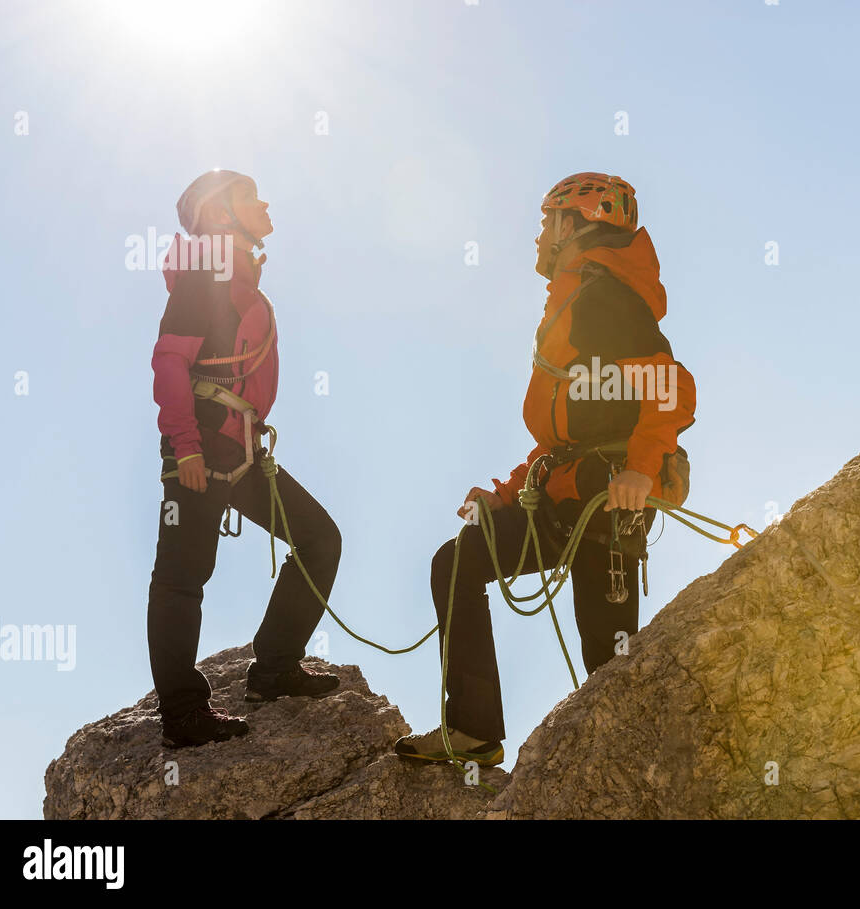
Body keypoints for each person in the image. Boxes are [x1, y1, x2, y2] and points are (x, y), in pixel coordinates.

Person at [395, 172, 696, 765]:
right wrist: (505, 495)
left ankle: (631, 778)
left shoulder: (604, 296)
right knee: (458, 562)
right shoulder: (573, 298)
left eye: (545, 221)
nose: (537, 235)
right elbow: (561, 437)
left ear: (572, 223)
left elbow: (669, 385)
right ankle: (474, 732)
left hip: (608, 499)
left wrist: (639, 469)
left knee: (606, 663)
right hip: (568, 492)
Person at [148, 169, 343, 749]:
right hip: (202, 447)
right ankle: (183, 715)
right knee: (183, 579)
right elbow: (167, 361)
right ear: (221, 213)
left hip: (239, 449)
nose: (264, 201)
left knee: (318, 539)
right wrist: (185, 445)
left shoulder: (234, 274)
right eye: (249, 196)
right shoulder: (205, 272)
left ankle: (274, 669)